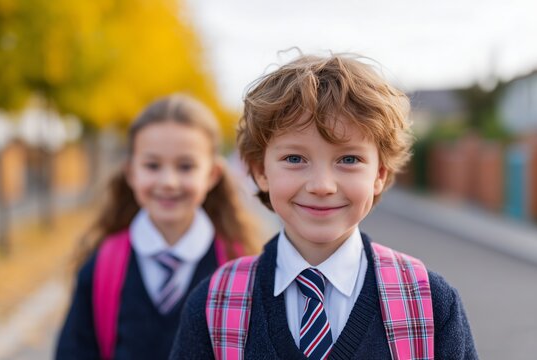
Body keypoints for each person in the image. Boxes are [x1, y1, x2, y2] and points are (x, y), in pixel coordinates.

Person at [170, 54, 478, 359]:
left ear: (379, 174)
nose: (321, 185)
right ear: (261, 171)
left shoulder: (429, 305)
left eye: (348, 159)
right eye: (294, 159)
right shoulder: (215, 305)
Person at [55, 94, 260, 360]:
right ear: (131, 172)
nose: (168, 182)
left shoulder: (242, 268)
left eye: (186, 166)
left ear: (212, 175)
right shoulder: (102, 267)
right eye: (152, 165)